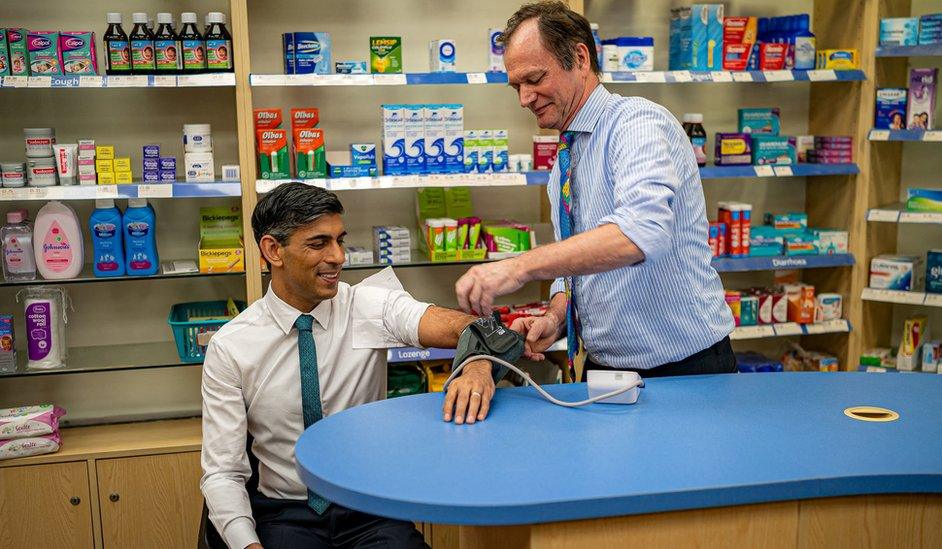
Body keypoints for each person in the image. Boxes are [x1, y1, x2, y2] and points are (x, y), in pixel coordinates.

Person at [201, 183, 497, 549]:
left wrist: (477, 366)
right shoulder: (231, 346)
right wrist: (248, 545)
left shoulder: (369, 306)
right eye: (318, 243)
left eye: (340, 240)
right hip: (285, 515)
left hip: (369, 509)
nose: (338, 256)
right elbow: (223, 472)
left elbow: (469, 327)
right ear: (273, 250)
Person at [455, 1, 736, 380]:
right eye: (516, 86)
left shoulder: (636, 123)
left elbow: (640, 233)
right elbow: (575, 269)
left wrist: (519, 267)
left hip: (686, 369)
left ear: (580, 58)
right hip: (607, 369)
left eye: (535, 79)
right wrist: (556, 317)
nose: (524, 98)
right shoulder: (565, 163)